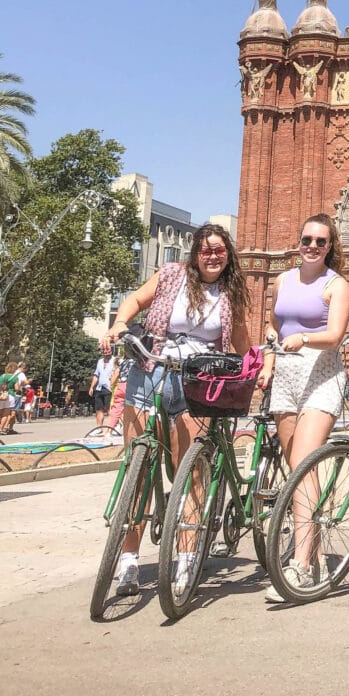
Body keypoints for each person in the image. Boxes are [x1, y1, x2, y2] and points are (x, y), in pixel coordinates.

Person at [100, 223, 251, 598]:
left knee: (191, 473)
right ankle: (128, 562)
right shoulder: (171, 275)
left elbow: (242, 335)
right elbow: (134, 301)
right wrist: (120, 323)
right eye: (206, 249)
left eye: (219, 250)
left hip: (198, 382)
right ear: (195, 253)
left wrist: (255, 364)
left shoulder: (231, 291)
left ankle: (184, 558)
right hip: (151, 370)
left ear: (228, 254)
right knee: (138, 467)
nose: (212, 256)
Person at [257, 213, 349, 601]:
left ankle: (303, 565)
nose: (312, 246)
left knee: (303, 462)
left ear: (331, 247)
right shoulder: (282, 279)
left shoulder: (337, 284)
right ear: (299, 243)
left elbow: (335, 335)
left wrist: (304, 339)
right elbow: (273, 323)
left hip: (322, 375)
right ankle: (309, 543)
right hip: (287, 377)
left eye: (320, 242)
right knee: (296, 464)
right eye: (307, 240)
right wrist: (268, 360)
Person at [89, 349, 117, 427]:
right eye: (105, 351)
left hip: (109, 388)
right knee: (98, 409)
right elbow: (96, 375)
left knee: (110, 409)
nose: (106, 353)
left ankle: (111, 427)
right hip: (99, 388)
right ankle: (99, 428)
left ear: (111, 351)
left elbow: (118, 373)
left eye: (108, 351)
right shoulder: (100, 361)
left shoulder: (115, 360)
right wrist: (91, 387)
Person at [0, 361, 21, 434]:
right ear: (14, 369)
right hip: (10, 396)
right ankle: (1, 429)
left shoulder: (2, 376)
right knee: (5, 414)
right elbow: (17, 388)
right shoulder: (15, 378)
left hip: (1, 395)